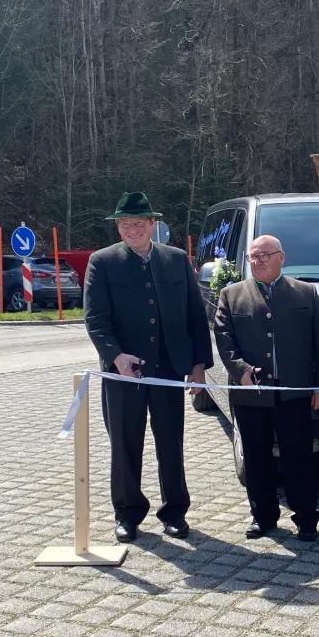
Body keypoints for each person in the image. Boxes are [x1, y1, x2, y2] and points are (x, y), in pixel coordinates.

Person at [84, 191, 212, 543]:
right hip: (123, 372)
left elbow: (195, 316)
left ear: (153, 224)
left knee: (171, 443)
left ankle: (175, 511)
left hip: (168, 369)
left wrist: (198, 365)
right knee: (125, 444)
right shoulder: (102, 262)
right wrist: (116, 356)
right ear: (118, 227)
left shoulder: (176, 259)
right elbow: (95, 320)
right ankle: (127, 513)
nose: (132, 229)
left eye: (138, 223)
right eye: (125, 224)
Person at [214, 234, 319, 541]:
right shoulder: (231, 294)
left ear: (282, 257)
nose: (259, 261)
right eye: (253, 256)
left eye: (265, 255)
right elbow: (224, 341)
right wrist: (241, 371)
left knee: (298, 457)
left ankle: (306, 518)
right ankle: (263, 516)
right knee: (256, 458)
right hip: (251, 394)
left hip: (294, 392)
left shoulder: (305, 293)